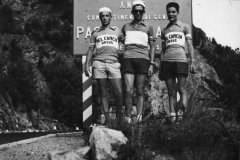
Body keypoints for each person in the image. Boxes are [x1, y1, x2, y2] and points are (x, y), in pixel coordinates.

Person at [84, 7, 123, 124]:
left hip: (114, 63)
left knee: (118, 92)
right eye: (102, 16)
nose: (105, 18)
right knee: (103, 92)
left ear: (111, 17)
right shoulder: (95, 33)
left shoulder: (117, 31)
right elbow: (91, 49)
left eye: (107, 16)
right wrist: (87, 65)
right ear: (100, 17)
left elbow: (125, 42)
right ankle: (107, 120)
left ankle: (119, 117)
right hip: (99, 64)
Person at [121, 0, 155, 123]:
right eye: (136, 11)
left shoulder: (149, 27)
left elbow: (152, 47)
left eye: (141, 11)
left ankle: (139, 117)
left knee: (140, 90)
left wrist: (151, 63)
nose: (138, 13)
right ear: (132, 12)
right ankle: (128, 117)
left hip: (143, 59)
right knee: (128, 90)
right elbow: (120, 39)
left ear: (144, 12)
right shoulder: (126, 26)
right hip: (128, 59)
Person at [160, 2, 195, 120]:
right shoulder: (164, 30)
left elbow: (190, 45)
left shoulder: (185, 27)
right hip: (167, 62)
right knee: (171, 91)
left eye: (173, 12)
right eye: (169, 12)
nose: (171, 14)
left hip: (181, 61)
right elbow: (163, 50)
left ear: (178, 13)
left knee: (181, 89)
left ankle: (182, 114)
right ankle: (173, 116)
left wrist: (192, 61)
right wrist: (161, 66)